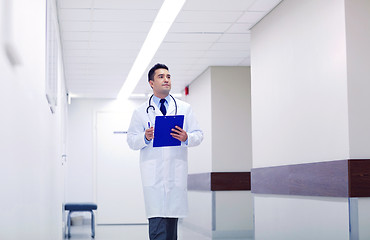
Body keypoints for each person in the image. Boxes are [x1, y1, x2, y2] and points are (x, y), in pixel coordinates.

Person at [127, 63, 203, 240]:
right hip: (153, 178)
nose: (166, 80)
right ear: (151, 83)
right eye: (161, 77)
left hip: (175, 176)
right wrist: (145, 137)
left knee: (170, 231)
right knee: (158, 228)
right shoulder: (140, 112)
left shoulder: (184, 108)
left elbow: (199, 135)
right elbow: (131, 140)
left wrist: (186, 137)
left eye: (168, 76)